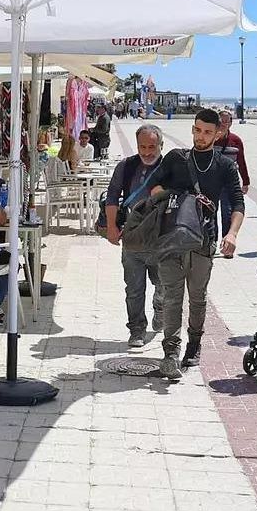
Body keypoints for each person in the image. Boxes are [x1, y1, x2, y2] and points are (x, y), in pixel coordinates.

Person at [144, 109, 245, 379]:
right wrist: (179, 198)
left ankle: (194, 344)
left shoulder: (225, 166)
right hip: (170, 238)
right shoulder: (176, 158)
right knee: (172, 296)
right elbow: (153, 188)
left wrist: (232, 234)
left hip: (204, 241)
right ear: (192, 129)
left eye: (208, 132)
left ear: (218, 134)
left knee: (198, 296)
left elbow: (238, 203)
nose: (201, 136)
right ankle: (170, 353)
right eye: (198, 130)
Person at [103, 124, 167, 349]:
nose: (147, 152)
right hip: (133, 239)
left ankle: (160, 307)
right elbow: (112, 196)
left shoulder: (170, 167)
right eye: (143, 147)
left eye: (152, 147)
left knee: (163, 286)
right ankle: (137, 329)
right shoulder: (127, 166)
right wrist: (111, 226)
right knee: (134, 289)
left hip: (162, 240)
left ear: (161, 145)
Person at [216, 109, 252, 237]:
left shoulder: (236, 140)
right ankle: (211, 241)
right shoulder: (211, 138)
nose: (224, 124)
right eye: (222, 121)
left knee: (227, 212)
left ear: (231, 123)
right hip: (212, 181)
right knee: (210, 212)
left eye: (227, 121)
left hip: (229, 182)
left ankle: (226, 241)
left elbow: (241, 161)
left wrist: (246, 182)